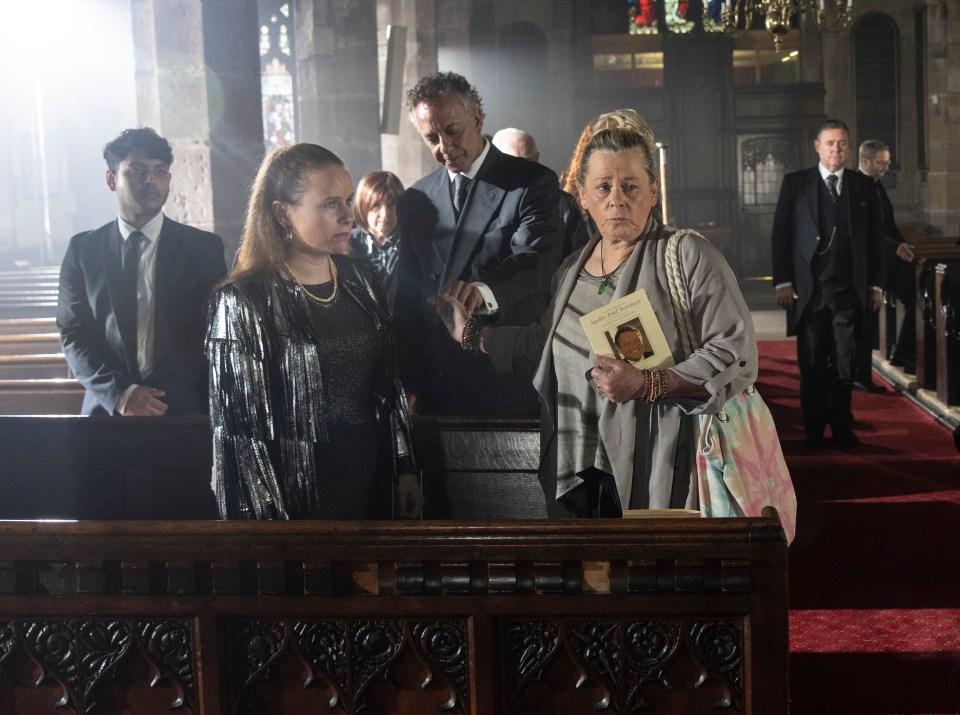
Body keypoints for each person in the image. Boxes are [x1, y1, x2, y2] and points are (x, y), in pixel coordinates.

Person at [430, 111, 757, 519]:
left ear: (653, 191)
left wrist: (647, 384)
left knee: (653, 575)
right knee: (590, 579)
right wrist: (472, 333)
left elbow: (734, 350)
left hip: (660, 464)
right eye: (603, 186)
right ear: (582, 198)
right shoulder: (570, 270)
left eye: (631, 186)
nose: (617, 198)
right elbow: (542, 347)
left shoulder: (688, 256)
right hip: (577, 471)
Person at [206, 143, 423, 520]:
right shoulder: (243, 300)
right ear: (283, 214)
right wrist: (272, 532)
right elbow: (240, 436)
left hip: (371, 488)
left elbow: (387, 384)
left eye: (348, 200)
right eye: (329, 204)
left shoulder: (361, 279)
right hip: (294, 504)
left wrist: (404, 466)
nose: (347, 215)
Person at [394, 71, 563, 416]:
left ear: (477, 117)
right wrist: (409, 382)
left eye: (452, 130)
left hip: (504, 379)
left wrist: (483, 291)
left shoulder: (530, 182)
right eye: (432, 138)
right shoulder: (415, 198)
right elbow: (407, 299)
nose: (445, 147)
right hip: (439, 387)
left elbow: (536, 261)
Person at [57, 127, 226, 416]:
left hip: (182, 408)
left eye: (160, 171)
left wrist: (158, 395)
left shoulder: (203, 249)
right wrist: (121, 394)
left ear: (169, 180)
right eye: (136, 171)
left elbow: (213, 329)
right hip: (107, 409)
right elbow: (74, 334)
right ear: (111, 179)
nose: (150, 180)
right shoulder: (83, 251)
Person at [771, 119, 883, 449]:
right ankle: (814, 430)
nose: (837, 149)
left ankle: (843, 428)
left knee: (845, 364)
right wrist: (782, 281)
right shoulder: (796, 183)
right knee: (812, 364)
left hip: (848, 292)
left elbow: (875, 239)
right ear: (817, 146)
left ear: (849, 147)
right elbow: (781, 235)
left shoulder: (864, 188)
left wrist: (875, 285)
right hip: (808, 292)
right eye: (830, 143)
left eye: (842, 143)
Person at [857, 139, 916, 375]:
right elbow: (867, 230)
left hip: (889, 260)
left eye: (888, 161)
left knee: (917, 296)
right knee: (868, 320)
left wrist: (902, 244)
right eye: (882, 162)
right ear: (866, 161)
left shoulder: (876, 184)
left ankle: (901, 351)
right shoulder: (858, 186)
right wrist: (895, 246)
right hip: (873, 263)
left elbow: (888, 225)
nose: (887, 166)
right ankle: (893, 355)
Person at [492, 127, 588, 257]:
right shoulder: (480, 201)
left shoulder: (564, 204)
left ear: (537, 157)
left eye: (528, 161)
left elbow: (578, 256)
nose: (523, 169)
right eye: (514, 162)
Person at [349, 170, 404, 310]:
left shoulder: (412, 244)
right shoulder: (346, 244)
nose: (385, 215)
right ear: (363, 206)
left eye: (391, 205)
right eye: (376, 205)